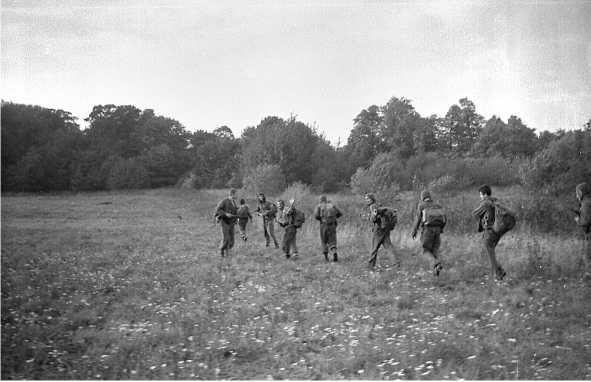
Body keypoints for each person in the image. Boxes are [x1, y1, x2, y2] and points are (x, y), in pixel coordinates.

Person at [472, 184, 507, 281]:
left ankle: (499, 275)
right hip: (498, 231)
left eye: (480, 194)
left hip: (489, 231)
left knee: (491, 254)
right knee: (491, 253)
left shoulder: (485, 203)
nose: (480, 196)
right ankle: (499, 272)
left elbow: (475, 213)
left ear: (484, 194)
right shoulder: (495, 201)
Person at [411, 190, 447, 276]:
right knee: (435, 250)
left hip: (428, 230)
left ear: (422, 197)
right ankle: (436, 272)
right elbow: (444, 219)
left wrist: (414, 231)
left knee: (425, 250)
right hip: (438, 230)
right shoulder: (438, 205)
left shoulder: (422, 205)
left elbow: (418, 219)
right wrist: (441, 229)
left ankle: (436, 263)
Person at [365, 193, 401, 270]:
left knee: (374, 247)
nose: (366, 200)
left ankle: (370, 266)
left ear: (371, 199)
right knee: (389, 247)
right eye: (366, 199)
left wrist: (369, 218)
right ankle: (396, 263)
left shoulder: (373, 206)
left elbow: (374, 219)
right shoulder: (378, 205)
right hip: (385, 229)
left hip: (378, 230)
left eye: (367, 199)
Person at [314, 195, 343, 262]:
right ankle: (334, 253)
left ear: (320, 200)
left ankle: (326, 258)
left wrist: (321, 219)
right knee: (332, 241)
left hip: (323, 225)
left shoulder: (319, 206)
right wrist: (334, 218)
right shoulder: (332, 205)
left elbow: (316, 216)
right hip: (332, 226)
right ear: (326, 200)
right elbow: (340, 213)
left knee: (324, 241)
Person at [214, 189, 238, 257]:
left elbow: (235, 211)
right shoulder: (224, 201)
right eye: (236, 194)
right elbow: (218, 210)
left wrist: (237, 219)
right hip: (224, 222)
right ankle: (222, 251)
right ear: (232, 194)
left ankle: (226, 250)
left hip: (231, 223)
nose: (237, 196)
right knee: (226, 239)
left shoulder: (234, 202)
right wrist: (226, 214)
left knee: (232, 241)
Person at [574, 182, 591, 270]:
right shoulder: (587, 202)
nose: (577, 196)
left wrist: (578, 220)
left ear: (581, 193)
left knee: (588, 257)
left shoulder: (586, 203)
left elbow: (587, 221)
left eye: (577, 194)